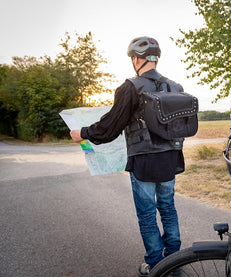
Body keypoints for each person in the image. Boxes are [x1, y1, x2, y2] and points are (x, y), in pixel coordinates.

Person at [70, 37, 183, 276]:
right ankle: (174, 263)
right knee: (168, 208)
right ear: (156, 58)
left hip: (144, 161)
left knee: (147, 213)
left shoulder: (130, 88)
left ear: (137, 59)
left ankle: (155, 264)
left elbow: (109, 127)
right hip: (170, 159)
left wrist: (82, 133)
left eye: (133, 58)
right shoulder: (175, 87)